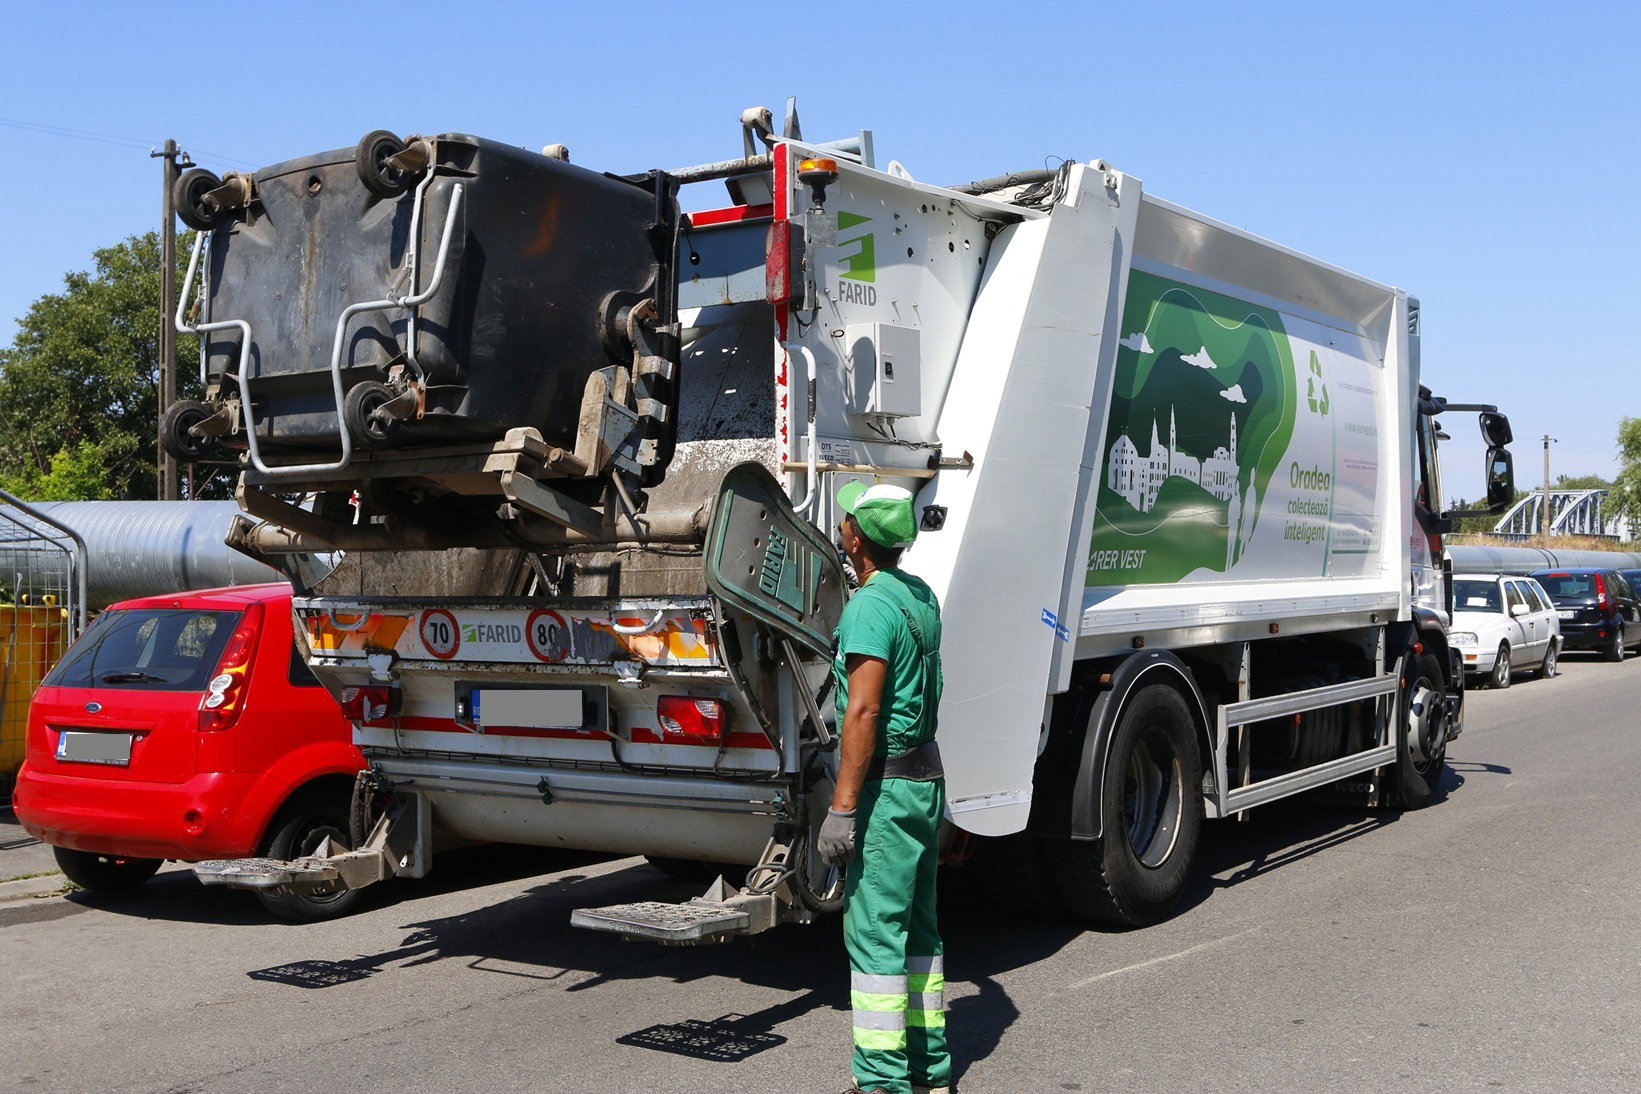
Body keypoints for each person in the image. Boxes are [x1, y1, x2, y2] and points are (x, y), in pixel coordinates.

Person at [817, 481, 950, 1094]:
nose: (842, 525)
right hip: (924, 781)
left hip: (886, 791)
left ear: (857, 539)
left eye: (847, 519)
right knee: (918, 930)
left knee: (875, 937)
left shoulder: (869, 607)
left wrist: (843, 808)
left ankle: (882, 1084)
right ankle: (928, 1069)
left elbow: (864, 712)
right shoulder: (919, 595)